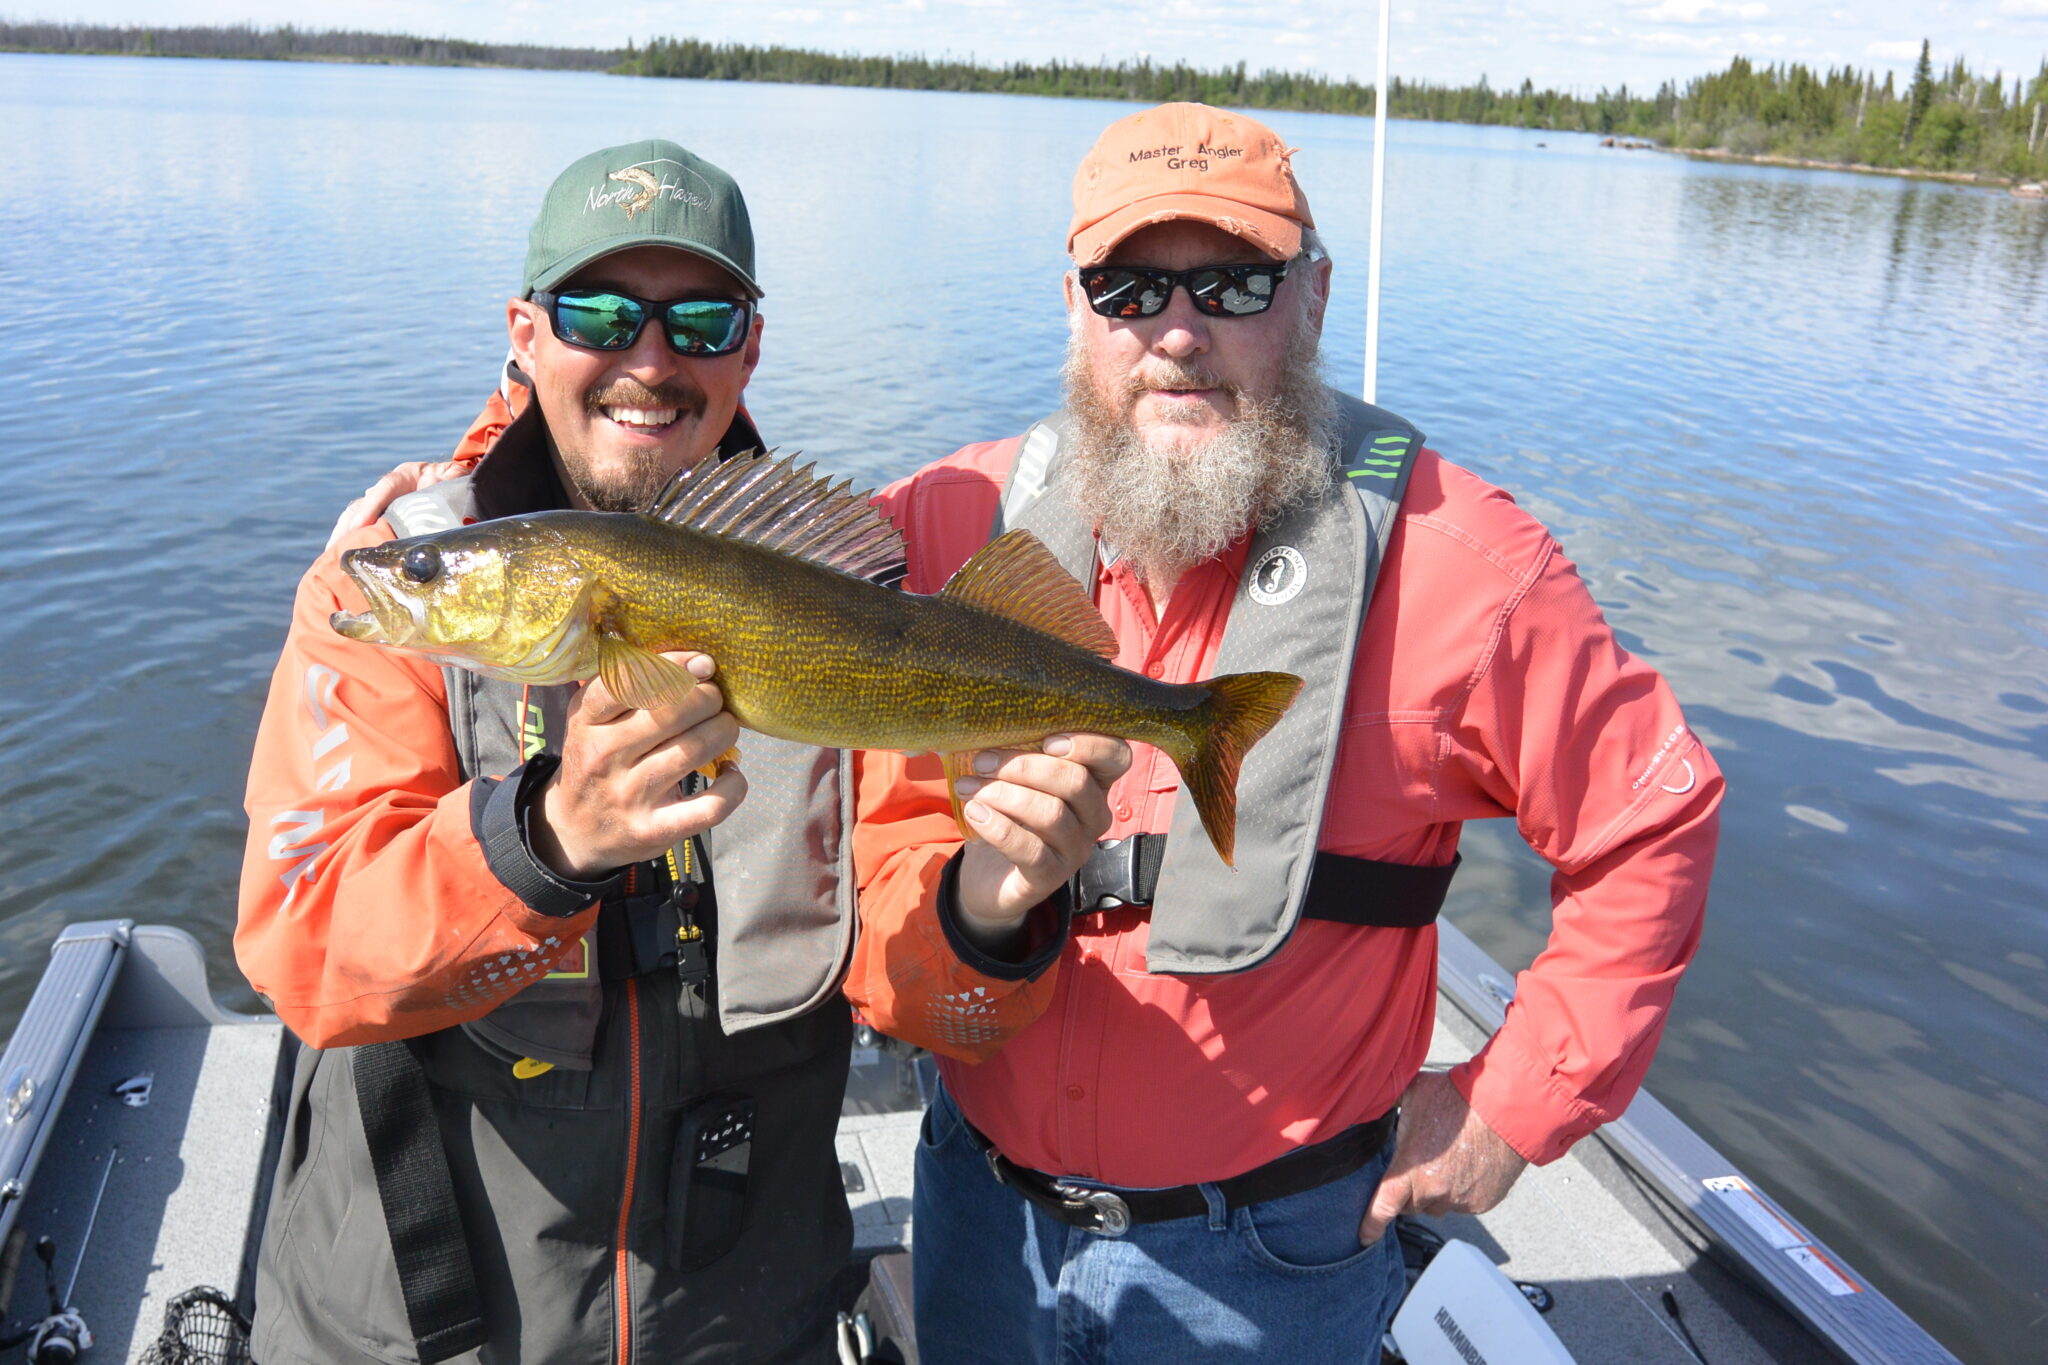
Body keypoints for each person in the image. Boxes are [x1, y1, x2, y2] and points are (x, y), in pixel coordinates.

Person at [847, 103, 1724, 1363]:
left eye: (1231, 283)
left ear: (1309, 301)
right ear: (1073, 308)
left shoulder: (1465, 569)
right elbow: (738, 572)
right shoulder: (954, 514)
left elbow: (1652, 821)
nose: (1176, 334)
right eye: (1128, 287)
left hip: (1266, 1259)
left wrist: (1508, 1107)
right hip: (977, 1213)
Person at [236, 138, 1125, 1365]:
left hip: (742, 1316)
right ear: (526, 329)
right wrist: (541, 846)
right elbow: (304, 952)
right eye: (598, 313)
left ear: (750, 345)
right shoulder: (389, 585)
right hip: (428, 1320)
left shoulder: (840, 587)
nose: (649, 361)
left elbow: (927, 993)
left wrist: (992, 905)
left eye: (698, 320)